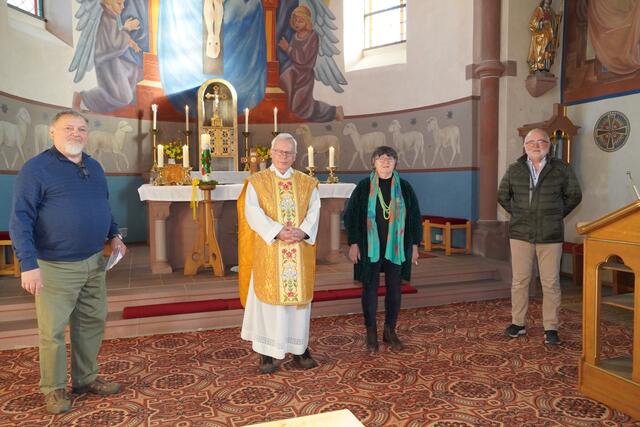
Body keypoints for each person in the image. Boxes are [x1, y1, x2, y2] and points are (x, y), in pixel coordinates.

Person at [9, 110, 127, 414]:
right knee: (52, 331)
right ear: (52, 132)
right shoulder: (36, 169)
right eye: (68, 128)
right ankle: (54, 388)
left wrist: (114, 235)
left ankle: (86, 379)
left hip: (93, 262)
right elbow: (20, 219)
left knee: (91, 322)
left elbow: (103, 206)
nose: (76, 133)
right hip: (54, 265)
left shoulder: (94, 166)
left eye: (81, 129)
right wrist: (28, 264)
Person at [237, 133, 321, 374]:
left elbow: (315, 210)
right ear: (271, 153)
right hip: (270, 251)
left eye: (288, 152)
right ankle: (267, 352)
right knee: (269, 304)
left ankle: (299, 349)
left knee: (298, 305)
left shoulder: (307, 183)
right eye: (279, 151)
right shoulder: (257, 182)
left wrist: (303, 232)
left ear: (295, 156)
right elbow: (252, 212)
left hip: (299, 250)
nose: (283, 156)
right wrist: (277, 231)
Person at [498, 128, 582, 345]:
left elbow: (574, 195)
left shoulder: (562, 169)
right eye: (531, 142)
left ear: (549, 145)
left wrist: (556, 214)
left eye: (541, 141)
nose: (536, 146)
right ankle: (518, 323)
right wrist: (520, 214)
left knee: (551, 283)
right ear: (524, 146)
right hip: (520, 234)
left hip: (550, 235)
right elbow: (502, 195)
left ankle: (551, 328)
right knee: (520, 281)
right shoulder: (514, 169)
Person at [343, 146, 422, 352]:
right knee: (369, 289)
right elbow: (351, 216)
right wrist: (353, 243)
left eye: (390, 158)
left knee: (394, 289)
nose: (386, 161)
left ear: (396, 163)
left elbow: (414, 217)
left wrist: (414, 245)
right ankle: (371, 332)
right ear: (373, 163)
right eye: (381, 158)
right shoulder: (364, 186)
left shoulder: (405, 187)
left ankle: (390, 331)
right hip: (369, 248)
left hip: (396, 248)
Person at [71, 0, 143, 113]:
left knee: (133, 70)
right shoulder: (106, 18)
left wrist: (129, 40)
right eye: (119, 3)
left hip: (111, 59)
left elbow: (114, 38)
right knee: (123, 97)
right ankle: (83, 99)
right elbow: (114, 44)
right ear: (108, 3)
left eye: (123, 3)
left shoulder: (111, 17)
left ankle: (92, 104)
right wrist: (126, 29)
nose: (123, 7)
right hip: (106, 62)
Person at [278, 5, 343, 122]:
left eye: (301, 20)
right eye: (295, 20)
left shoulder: (312, 36)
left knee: (302, 108)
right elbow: (293, 57)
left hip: (304, 75)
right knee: (283, 80)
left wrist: (288, 48)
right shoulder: (295, 36)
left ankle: (333, 111)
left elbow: (304, 59)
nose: (297, 23)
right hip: (294, 72)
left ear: (307, 21)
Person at [527, 0, 561, 73]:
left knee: (548, 51)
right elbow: (532, 23)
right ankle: (539, 66)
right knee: (542, 49)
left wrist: (557, 18)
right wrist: (542, 23)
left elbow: (554, 22)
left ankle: (546, 68)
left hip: (550, 34)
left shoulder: (551, 11)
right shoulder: (539, 10)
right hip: (541, 35)